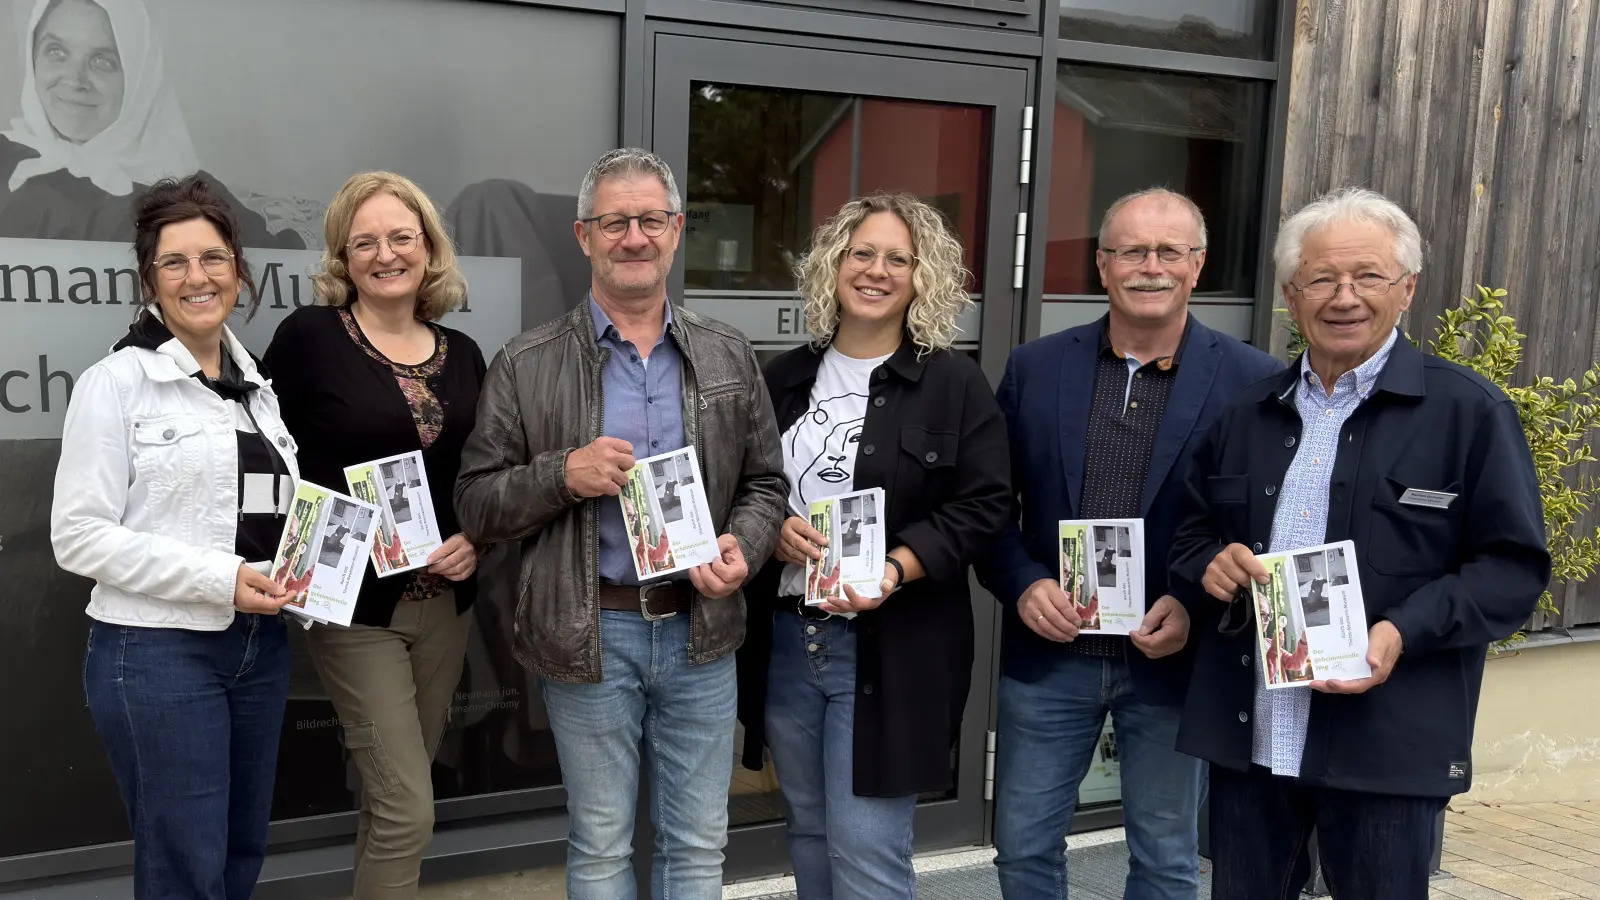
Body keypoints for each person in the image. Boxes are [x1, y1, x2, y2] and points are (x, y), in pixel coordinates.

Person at [1170, 187, 1550, 899]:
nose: (1344, 297)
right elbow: (1193, 531)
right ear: (1291, 294)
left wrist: (1401, 632)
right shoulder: (1249, 413)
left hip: (1385, 740)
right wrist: (1208, 563)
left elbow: (1512, 569)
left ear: (1406, 289)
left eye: (1368, 276)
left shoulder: (1468, 412)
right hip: (1253, 742)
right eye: (1321, 279)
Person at [453, 147, 788, 900]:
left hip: (703, 632)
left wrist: (747, 546)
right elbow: (475, 502)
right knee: (601, 846)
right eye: (614, 222)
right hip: (591, 636)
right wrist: (561, 475)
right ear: (584, 236)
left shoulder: (728, 352)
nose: (632, 237)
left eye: (649, 220)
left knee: (699, 846)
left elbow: (767, 483)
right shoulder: (526, 362)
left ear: (675, 232)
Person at [977, 188, 1280, 899]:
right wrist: (1023, 583)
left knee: (1167, 860)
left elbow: (1259, 528)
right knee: (1021, 851)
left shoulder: (1253, 380)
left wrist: (1194, 605)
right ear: (1103, 266)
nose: (1151, 266)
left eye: (1168, 251)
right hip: (1053, 656)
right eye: (1132, 252)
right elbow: (985, 504)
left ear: (1197, 265)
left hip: (1175, 662)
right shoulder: (1036, 368)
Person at [736, 193, 1012, 900]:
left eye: (898, 258)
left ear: (923, 278)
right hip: (792, 638)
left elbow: (984, 506)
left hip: (892, 648)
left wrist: (896, 564)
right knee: (807, 831)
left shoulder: (953, 383)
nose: (877, 271)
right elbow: (742, 487)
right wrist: (771, 536)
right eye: (862, 253)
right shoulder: (783, 376)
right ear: (834, 264)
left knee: (865, 846)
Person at [50, 173, 299, 899]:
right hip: (156, 653)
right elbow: (78, 537)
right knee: (186, 867)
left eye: (214, 258)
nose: (199, 277)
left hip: (260, 647)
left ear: (238, 269)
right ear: (149, 280)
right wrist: (219, 578)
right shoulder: (116, 383)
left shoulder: (258, 388)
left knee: (239, 853)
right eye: (175, 262)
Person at [263, 171, 486, 900]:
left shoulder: (465, 352)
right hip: (354, 606)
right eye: (365, 242)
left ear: (428, 248)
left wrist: (477, 537)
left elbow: (480, 474)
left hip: (446, 606)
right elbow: (259, 453)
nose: (385, 254)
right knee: (408, 809)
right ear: (342, 256)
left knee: (392, 802)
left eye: (401, 237)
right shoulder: (309, 339)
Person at [0, 0, 301, 246]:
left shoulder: (183, 190)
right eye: (57, 52)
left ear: (140, 79)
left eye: (103, 61)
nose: (75, 80)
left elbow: (282, 274)